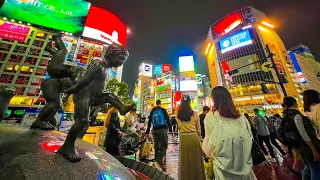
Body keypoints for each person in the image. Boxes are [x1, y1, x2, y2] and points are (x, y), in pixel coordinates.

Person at [202, 86, 255, 180]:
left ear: (214, 100)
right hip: (245, 166)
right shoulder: (241, 118)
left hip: (222, 170)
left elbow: (209, 148)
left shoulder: (211, 117)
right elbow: (250, 138)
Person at [282, 96, 320, 180]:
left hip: (297, 145)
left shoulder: (286, 116)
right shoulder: (296, 116)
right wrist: (313, 150)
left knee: (308, 166)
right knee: (315, 169)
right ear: (294, 103)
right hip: (306, 145)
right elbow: (303, 133)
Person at [175, 94, 206, 180]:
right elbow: (198, 129)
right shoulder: (195, 113)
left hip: (184, 138)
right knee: (196, 161)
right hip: (193, 137)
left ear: (181, 102)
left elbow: (177, 110)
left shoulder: (177, 114)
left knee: (185, 162)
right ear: (189, 102)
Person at [146, 100, 170, 167]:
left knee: (156, 146)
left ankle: (156, 162)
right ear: (160, 104)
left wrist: (147, 131)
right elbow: (168, 119)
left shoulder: (153, 110)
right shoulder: (163, 110)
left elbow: (149, 121)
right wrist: (169, 127)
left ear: (156, 104)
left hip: (155, 130)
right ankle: (158, 160)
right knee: (164, 146)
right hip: (162, 130)